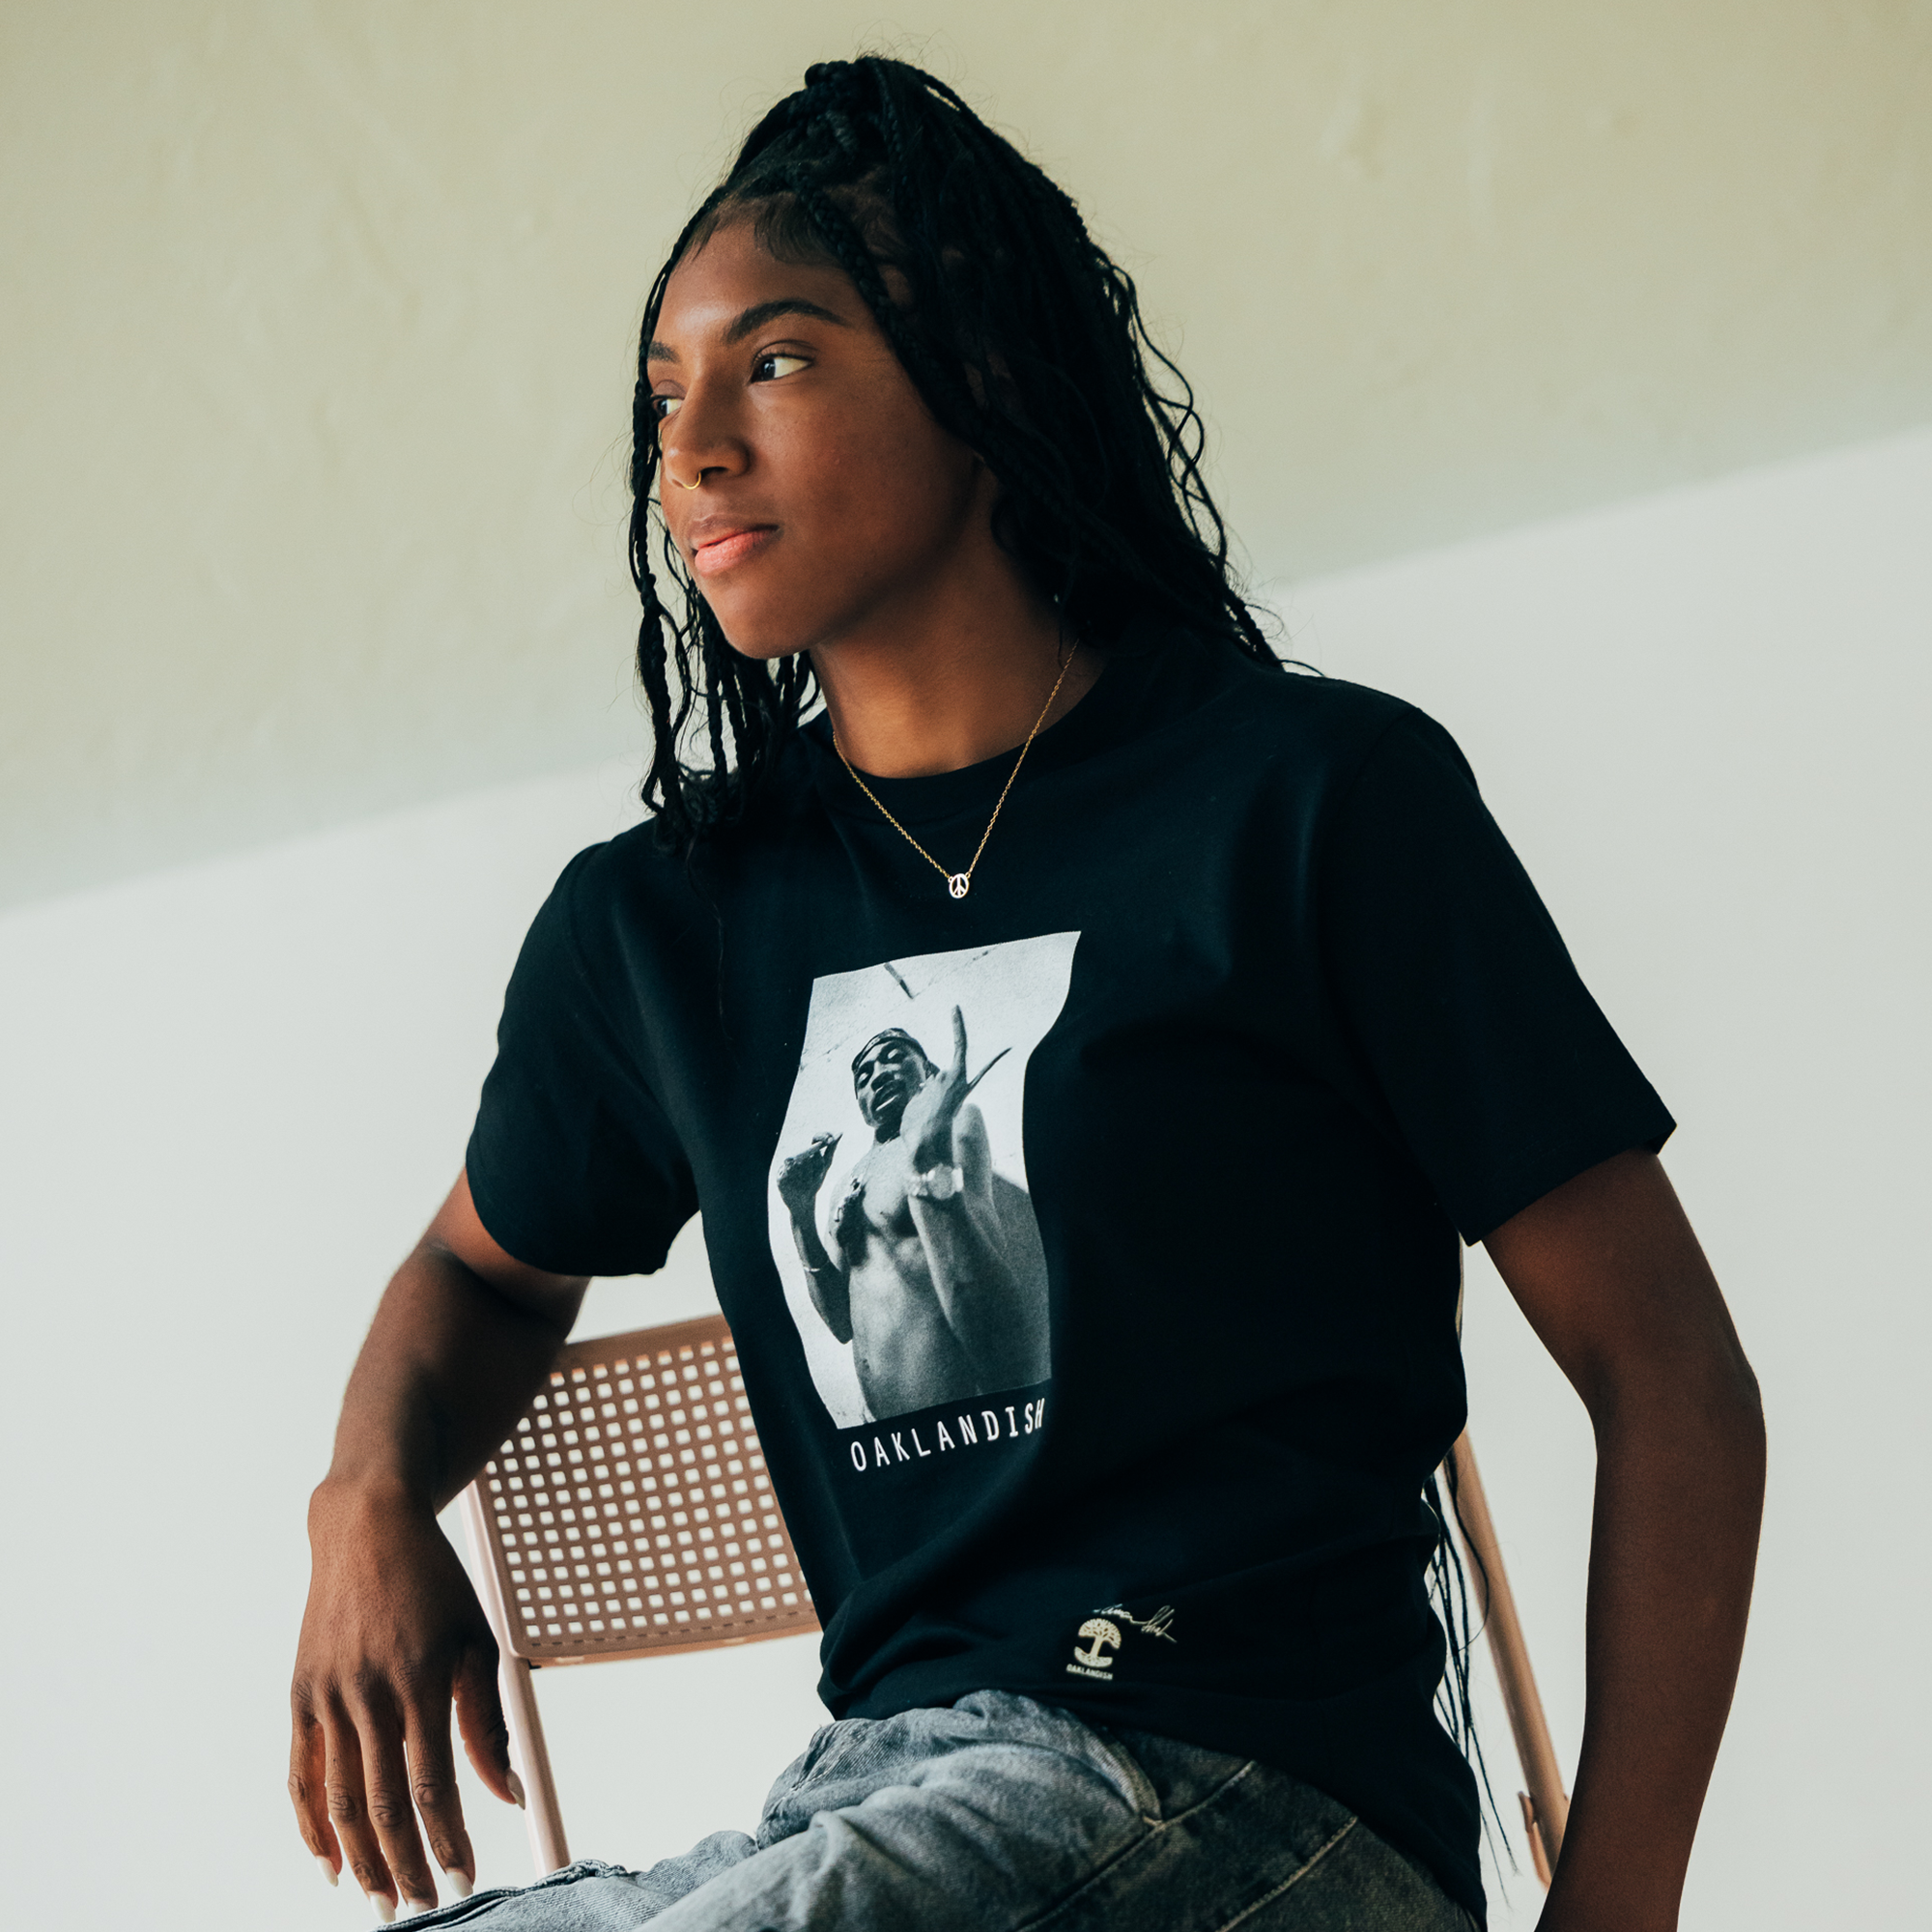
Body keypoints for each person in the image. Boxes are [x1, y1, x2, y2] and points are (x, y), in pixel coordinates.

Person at [288, 56, 1764, 1932]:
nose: (691, 447)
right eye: (664, 393)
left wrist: (1614, 1910)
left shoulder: (1304, 807)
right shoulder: (664, 929)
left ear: (979, 370)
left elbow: (1676, 1378)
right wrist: (365, 1501)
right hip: (886, 1794)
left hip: (1258, 1790)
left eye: (778, 359)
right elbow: (480, 1272)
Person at [777, 1010, 1051, 1417]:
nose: (878, 1073)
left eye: (893, 1057)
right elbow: (840, 1324)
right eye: (864, 1075)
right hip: (881, 1426)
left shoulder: (954, 1123)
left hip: (959, 1415)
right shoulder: (846, 1181)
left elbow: (989, 1292)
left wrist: (927, 1149)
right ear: (861, 1106)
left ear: (929, 1070)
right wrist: (801, 1212)